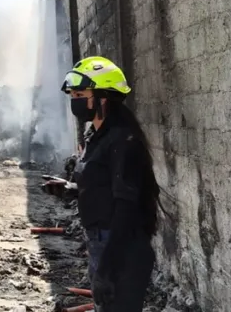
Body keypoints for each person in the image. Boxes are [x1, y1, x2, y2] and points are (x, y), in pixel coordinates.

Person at [61, 56, 163, 311]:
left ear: (103, 97)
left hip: (120, 249)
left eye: (80, 94)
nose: (75, 101)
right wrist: (71, 190)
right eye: (72, 95)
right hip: (102, 244)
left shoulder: (123, 141)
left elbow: (126, 209)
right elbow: (103, 187)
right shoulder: (96, 136)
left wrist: (107, 269)